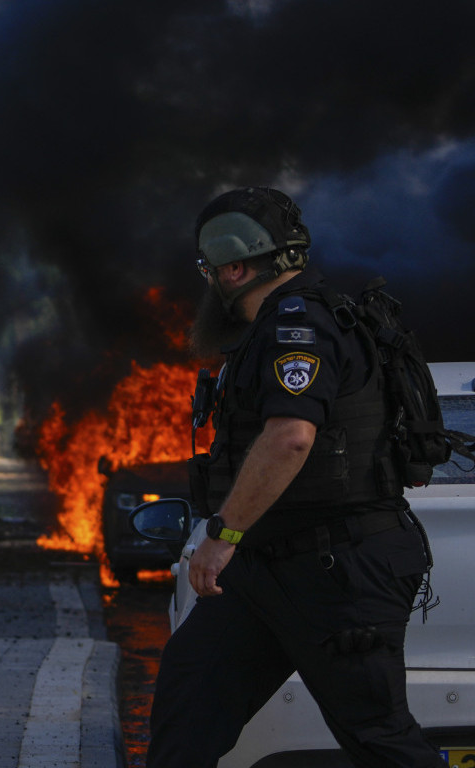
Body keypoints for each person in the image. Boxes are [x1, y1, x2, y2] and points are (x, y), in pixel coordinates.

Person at [146, 187, 443, 767]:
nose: (208, 282)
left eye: (209, 269)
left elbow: (290, 438)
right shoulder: (276, 327)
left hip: (337, 570)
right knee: (188, 709)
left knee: (379, 738)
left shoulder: (297, 325)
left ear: (235, 267)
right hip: (265, 571)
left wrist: (222, 534)